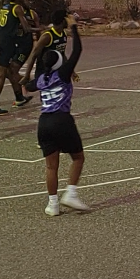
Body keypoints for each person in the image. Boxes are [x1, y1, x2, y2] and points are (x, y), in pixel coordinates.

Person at [36, 18, 90, 216]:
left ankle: (53, 205)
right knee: (78, 158)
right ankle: (71, 194)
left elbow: (29, 84)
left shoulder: (40, 79)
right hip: (62, 119)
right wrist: (74, 28)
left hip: (43, 122)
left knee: (51, 166)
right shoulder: (63, 74)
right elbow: (77, 51)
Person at [0, 0, 32, 116]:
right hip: (8, 42)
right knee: (2, 74)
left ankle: (19, 97)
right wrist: (42, 29)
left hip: (1, 40)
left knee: (10, 71)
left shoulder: (4, 7)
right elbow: (26, 28)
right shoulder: (17, 8)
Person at [23, 9, 69, 89]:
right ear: (63, 21)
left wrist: (70, 69)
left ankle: (28, 86)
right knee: (45, 92)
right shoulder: (47, 36)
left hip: (56, 71)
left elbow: (62, 53)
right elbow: (34, 54)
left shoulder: (63, 34)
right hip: (44, 71)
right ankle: (26, 86)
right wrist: (27, 75)